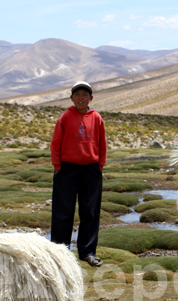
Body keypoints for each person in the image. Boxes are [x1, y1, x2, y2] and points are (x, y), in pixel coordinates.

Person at [49, 81, 107, 267]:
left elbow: (102, 143)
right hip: (67, 169)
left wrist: (100, 165)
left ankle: (87, 252)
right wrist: (57, 166)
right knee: (62, 212)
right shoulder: (65, 117)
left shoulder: (96, 117)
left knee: (90, 212)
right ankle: (60, 252)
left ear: (90, 98)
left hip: (91, 169)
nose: (81, 98)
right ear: (72, 98)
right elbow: (55, 143)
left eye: (85, 94)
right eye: (77, 94)